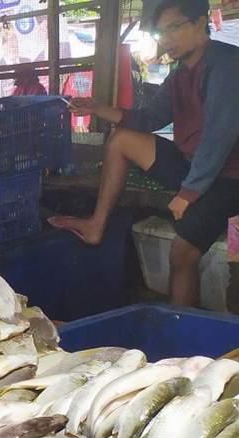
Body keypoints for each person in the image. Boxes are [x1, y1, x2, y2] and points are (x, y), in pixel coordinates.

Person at [49, 0, 239, 307]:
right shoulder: (179, 74)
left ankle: (180, 337)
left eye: (174, 28)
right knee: (122, 139)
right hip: (195, 167)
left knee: (182, 252)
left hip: (228, 177)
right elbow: (148, 118)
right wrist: (99, 108)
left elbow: (220, 135)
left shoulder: (227, 64)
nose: (166, 39)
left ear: (201, 23)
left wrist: (188, 193)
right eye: (161, 32)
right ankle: (97, 224)